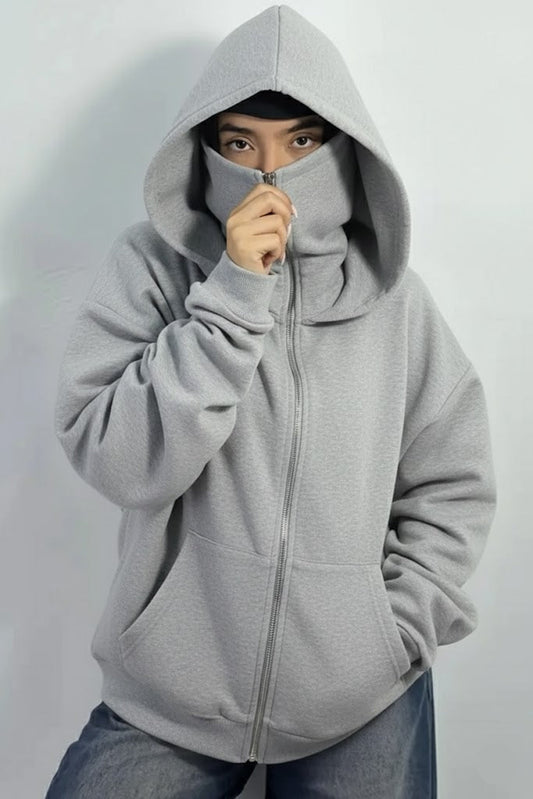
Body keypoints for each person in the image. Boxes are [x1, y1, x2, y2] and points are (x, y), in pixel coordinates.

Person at [45, 4, 497, 797]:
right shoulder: (152, 270)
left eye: (300, 142)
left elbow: (452, 482)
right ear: (204, 150)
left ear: (342, 147)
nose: (270, 173)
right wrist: (231, 294)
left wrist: (388, 635)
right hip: (170, 697)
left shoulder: (396, 305)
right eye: (239, 144)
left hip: (358, 698)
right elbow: (115, 456)